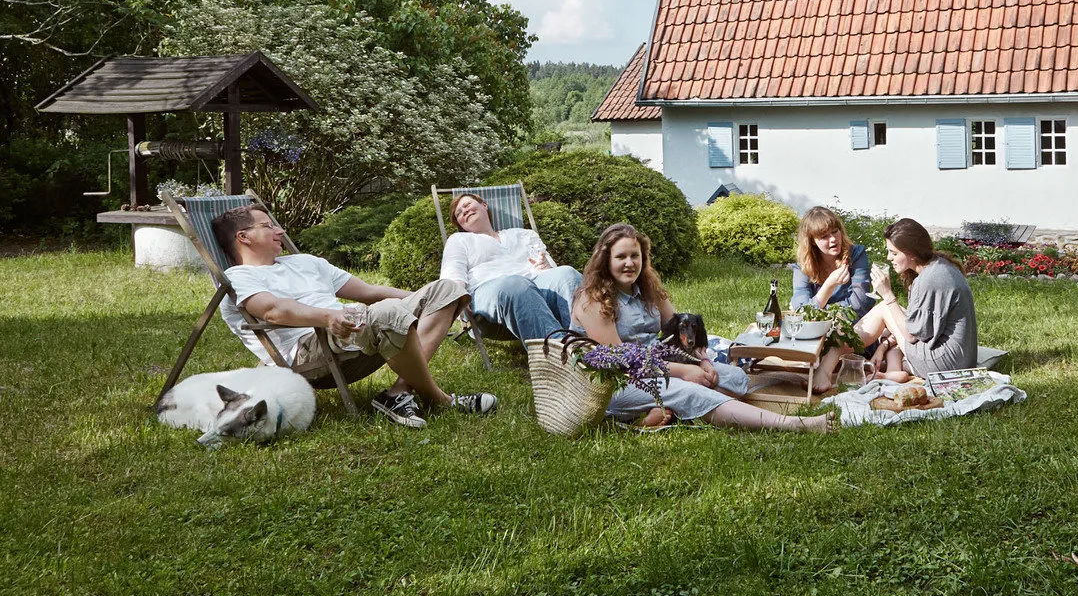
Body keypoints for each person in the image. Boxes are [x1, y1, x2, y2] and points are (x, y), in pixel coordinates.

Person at [212, 205, 497, 430]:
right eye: (268, 225)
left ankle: (398, 392)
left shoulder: (304, 262)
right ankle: (440, 400)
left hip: (352, 330)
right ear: (244, 237)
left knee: (447, 289)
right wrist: (328, 317)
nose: (280, 230)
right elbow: (272, 311)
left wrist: (428, 300)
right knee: (387, 312)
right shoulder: (238, 278)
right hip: (311, 352)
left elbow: (369, 291)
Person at [570, 223, 831, 433]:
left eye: (635, 256)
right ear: (605, 260)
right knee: (690, 390)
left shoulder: (647, 288)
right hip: (615, 384)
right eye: (621, 257)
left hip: (660, 367)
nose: (630, 263)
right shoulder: (593, 300)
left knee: (732, 377)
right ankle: (792, 425)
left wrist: (703, 361)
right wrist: (683, 371)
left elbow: (678, 334)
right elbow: (623, 361)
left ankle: (659, 413)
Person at [812, 217, 978, 387]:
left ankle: (826, 366)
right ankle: (892, 372)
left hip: (945, 365)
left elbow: (911, 335)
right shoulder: (939, 266)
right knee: (891, 315)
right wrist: (883, 345)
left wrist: (887, 294)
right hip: (959, 359)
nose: (888, 257)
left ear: (912, 253)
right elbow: (923, 327)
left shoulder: (931, 279)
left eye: (894, 252)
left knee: (885, 308)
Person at [440, 193, 582, 340]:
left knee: (567, 274)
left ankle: (585, 344)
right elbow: (452, 274)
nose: (464, 211)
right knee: (516, 283)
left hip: (536, 287)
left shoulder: (524, 234)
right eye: (459, 213)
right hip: (488, 299)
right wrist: (458, 299)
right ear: (460, 224)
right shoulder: (459, 240)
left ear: (484, 205)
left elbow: (552, 270)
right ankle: (560, 353)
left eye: (467, 205)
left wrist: (546, 266)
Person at [790, 206, 873, 319]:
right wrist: (829, 284)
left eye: (835, 231)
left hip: (855, 325)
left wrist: (820, 311)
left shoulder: (856, 255)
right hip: (817, 330)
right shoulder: (803, 266)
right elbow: (802, 310)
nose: (833, 239)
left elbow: (860, 304)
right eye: (824, 237)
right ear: (812, 241)